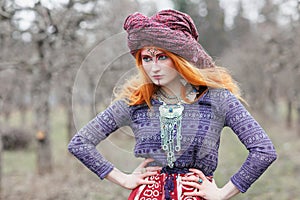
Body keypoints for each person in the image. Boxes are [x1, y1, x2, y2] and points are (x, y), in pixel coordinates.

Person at [68, 9, 277, 200]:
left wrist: (223, 192)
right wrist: (123, 179)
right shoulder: (135, 102)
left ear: (180, 58)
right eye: (147, 59)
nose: (154, 67)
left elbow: (263, 150)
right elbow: (80, 143)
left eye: (162, 57)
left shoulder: (217, 99)